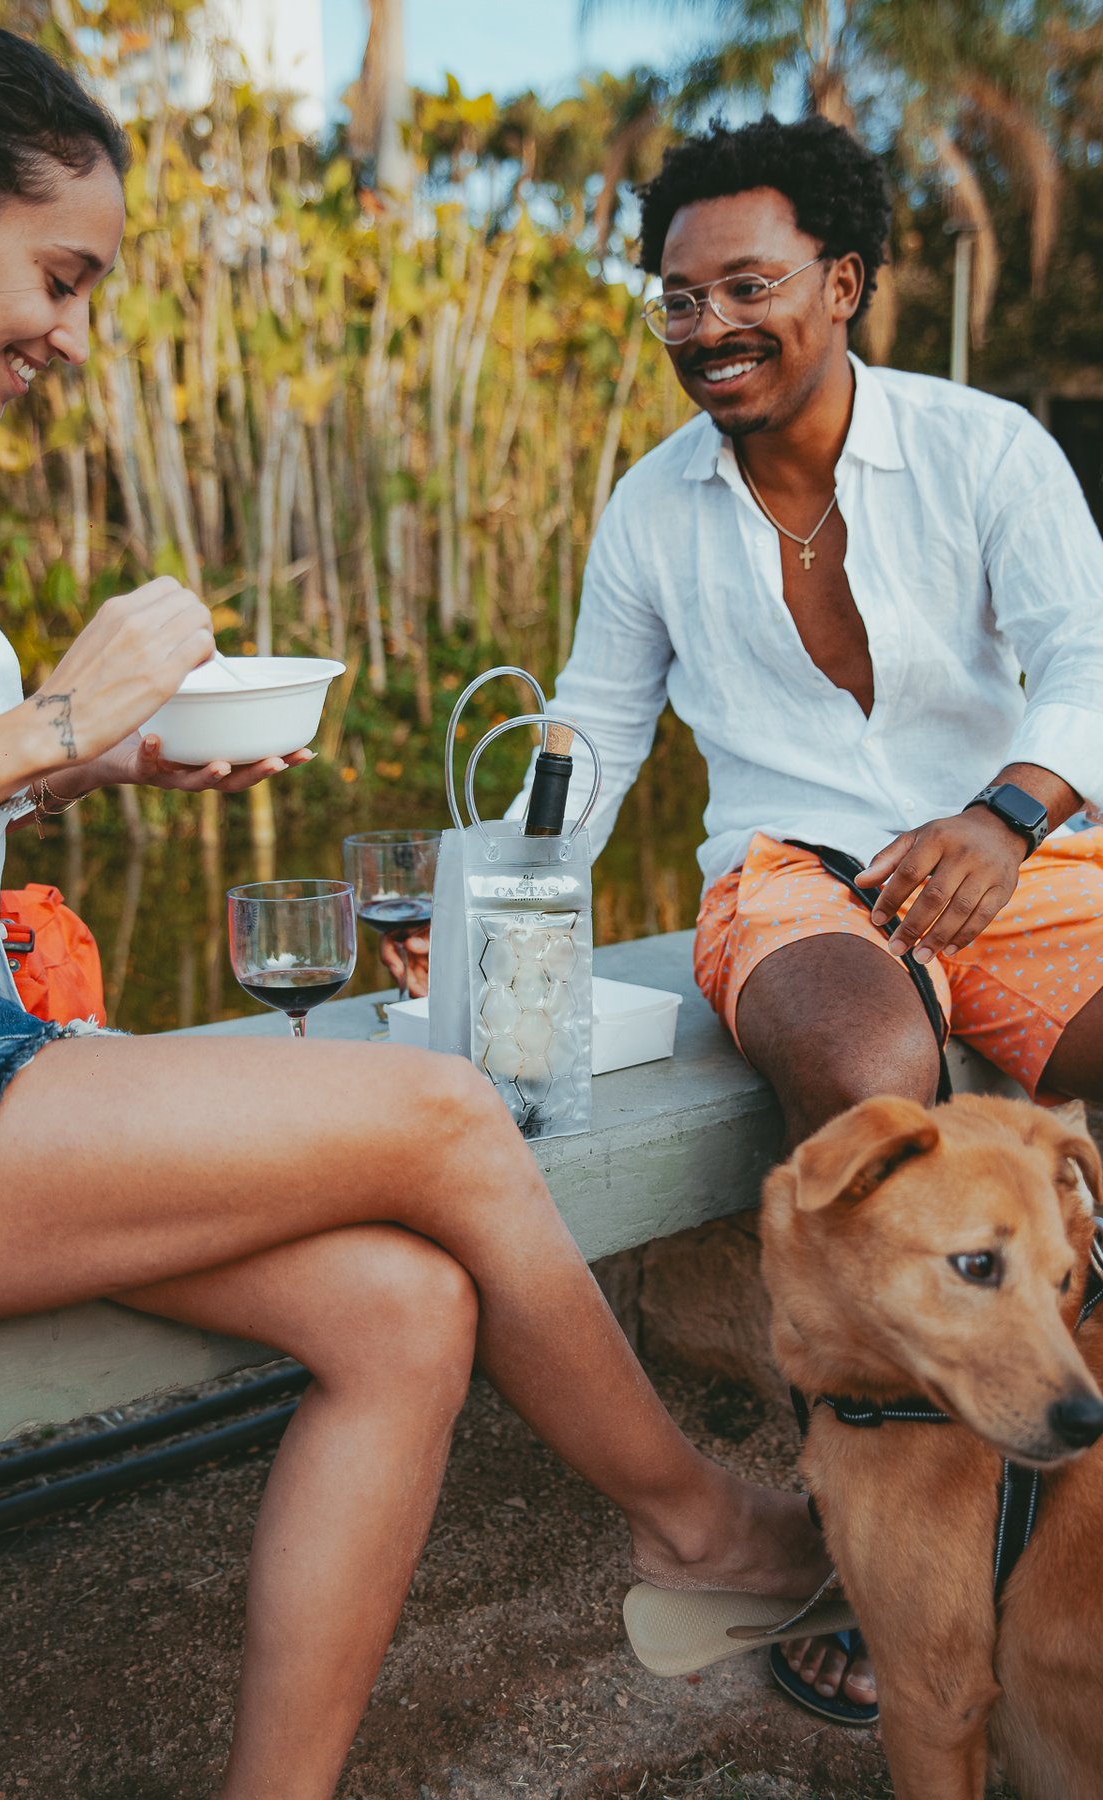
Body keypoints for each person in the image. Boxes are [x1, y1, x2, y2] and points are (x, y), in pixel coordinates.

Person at [0, 19, 837, 1797]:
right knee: (439, 1104)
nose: (72, 333)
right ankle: (701, 1528)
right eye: (60, 274)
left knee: (403, 1311)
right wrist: (44, 725)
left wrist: (90, 771)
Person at [464, 114, 1101, 1722]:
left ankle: (1068, 1505)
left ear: (844, 282)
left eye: (744, 286)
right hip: (789, 870)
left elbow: (1092, 659)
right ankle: (878, 1539)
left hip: (1015, 847)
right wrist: (492, 897)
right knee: (871, 1059)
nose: (705, 328)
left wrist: (1008, 812)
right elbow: (596, 736)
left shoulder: (983, 447)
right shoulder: (653, 508)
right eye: (675, 299)